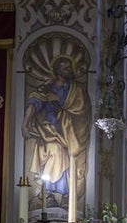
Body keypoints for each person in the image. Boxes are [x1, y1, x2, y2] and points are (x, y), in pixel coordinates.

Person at [22, 55, 91, 206]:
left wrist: (58, 101)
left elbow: (81, 110)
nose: (68, 70)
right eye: (64, 68)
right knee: (54, 152)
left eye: (69, 67)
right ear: (57, 70)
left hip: (68, 133)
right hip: (47, 130)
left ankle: (63, 195)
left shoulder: (77, 89)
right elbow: (35, 100)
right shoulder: (48, 86)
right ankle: (48, 193)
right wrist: (25, 123)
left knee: (63, 156)